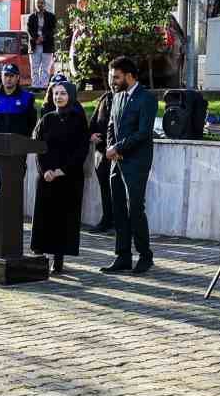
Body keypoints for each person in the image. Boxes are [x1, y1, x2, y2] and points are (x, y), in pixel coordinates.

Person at [100, 55, 155, 275]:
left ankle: (145, 255)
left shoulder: (146, 99)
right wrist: (111, 147)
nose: (113, 81)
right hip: (117, 163)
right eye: (112, 76)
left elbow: (143, 133)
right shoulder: (117, 96)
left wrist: (119, 149)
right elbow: (111, 125)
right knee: (119, 210)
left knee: (135, 209)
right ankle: (122, 256)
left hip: (136, 163)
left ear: (130, 76)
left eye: (117, 77)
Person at [32, 78, 89, 273]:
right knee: (44, 217)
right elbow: (39, 148)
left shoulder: (79, 120)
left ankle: (59, 259)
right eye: (56, 93)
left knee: (63, 219)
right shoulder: (46, 119)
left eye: (63, 93)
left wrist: (62, 170)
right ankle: (39, 258)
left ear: (71, 96)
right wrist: (46, 170)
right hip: (47, 178)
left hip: (69, 177)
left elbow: (81, 150)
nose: (59, 97)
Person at [87, 90, 115, 234]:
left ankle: (119, 222)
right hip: (101, 153)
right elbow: (92, 124)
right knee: (105, 188)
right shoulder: (106, 97)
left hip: (118, 153)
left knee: (118, 189)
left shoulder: (128, 98)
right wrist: (91, 135)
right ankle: (107, 219)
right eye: (111, 78)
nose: (112, 81)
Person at [0, 62, 37, 136]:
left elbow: (32, 123)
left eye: (12, 76)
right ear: (1, 76)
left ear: (18, 77)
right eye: (5, 75)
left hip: (19, 143)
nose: (8, 79)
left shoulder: (27, 97)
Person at [27, 0, 58, 88]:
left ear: (44, 4)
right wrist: (36, 38)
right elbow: (29, 29)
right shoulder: (31, 17)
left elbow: (53, 29)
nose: (40, 5)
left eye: (41, 3)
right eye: (38, 3)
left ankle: (43, 86)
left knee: (45, 68)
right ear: (35, 5)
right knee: (34, 68)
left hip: (47, 45)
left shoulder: (51, 16)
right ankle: (35, 86)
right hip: (35, 45)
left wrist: (43, 37)